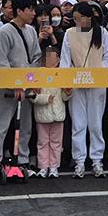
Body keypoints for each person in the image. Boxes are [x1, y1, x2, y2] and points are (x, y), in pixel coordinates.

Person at [0, 0, 42, 180]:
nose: (34, 13)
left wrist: (32, 82)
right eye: (31, 9)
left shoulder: (32, 31)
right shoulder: (4, 32)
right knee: (1, 125)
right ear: (20, 11)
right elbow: (1, 61)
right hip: (7, 88)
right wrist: (13, 83)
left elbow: (36, 57)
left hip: (27, 85)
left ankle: (23, 159)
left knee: (26, 126)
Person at [62, 1, 108, 178]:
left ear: (88, 17)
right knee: (78, 123)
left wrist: (99, 73)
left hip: (96, 83)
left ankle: (96, 159)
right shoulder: (69, 34)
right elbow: (65, 60)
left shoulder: (102, 32)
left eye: (79, 18)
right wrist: (67, 80)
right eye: (75, 19)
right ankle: (79, 160)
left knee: (95, 123)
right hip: (77, 84)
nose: (77, 22)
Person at [31, 44, 69, 177]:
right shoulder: (38, 74)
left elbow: (64, 97)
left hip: (58, 114)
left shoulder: (62, 74)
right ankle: (43, 166)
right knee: (42, 142)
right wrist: (45, 98)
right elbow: (32, 95)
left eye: (55, 57)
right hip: (42, 114)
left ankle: (54, 166)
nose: (53, 61)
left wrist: (68, 92)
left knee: (56, 142)